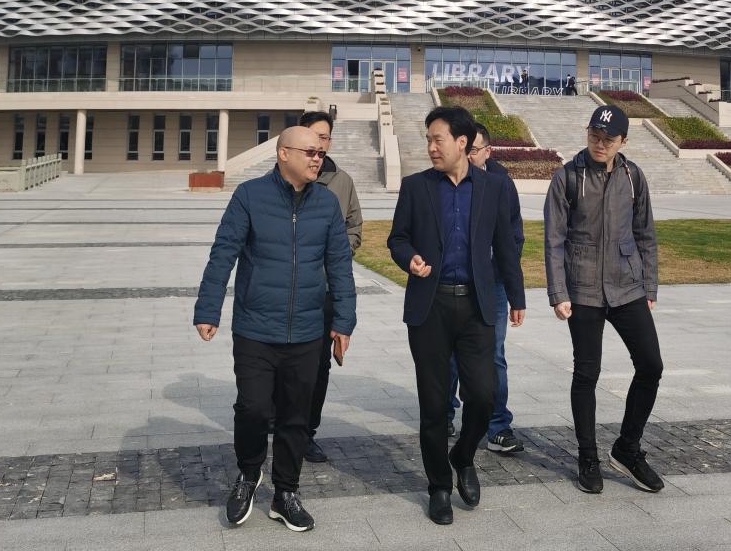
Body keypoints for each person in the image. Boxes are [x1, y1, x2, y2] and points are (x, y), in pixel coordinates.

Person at [193, 126, 357, 533]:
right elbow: (223, 253)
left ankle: (286, 493)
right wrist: (208, 308)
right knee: (252, 408)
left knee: (295, 416)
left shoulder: (327, 203)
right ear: (284, 154)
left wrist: (344, 322)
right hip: (255, 327)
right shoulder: (249, 196)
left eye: (321, 153)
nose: (318, 158)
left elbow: (340, 265)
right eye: (310, 152)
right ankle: (249, 474)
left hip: (307, 330)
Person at [388, 106, 526, 526]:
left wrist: (517, 296)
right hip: (430, 308)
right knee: (433, 405)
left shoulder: (494, 187)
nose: (431, 147)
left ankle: (463, 455)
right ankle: (439, 487)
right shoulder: (416, 187)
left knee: (483, 395)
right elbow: (398, 238)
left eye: (438, 139)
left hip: (476, 307)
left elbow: (506, 245)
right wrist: (409, 258)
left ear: (462, 143)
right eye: (428, 140)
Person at [542, 104, 664, 496]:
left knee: (651, 365)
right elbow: (554, 240)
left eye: (608, 139)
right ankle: (588, 457)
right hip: (583, 289)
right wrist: (558, 293)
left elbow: (645, 234)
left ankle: (627, 448)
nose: (599, 144)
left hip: (627, 286)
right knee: (586, 374)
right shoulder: (567, 177)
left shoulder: (633, 177)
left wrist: (649, 287)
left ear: (622, 142)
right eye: (594, 136)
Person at [446, 123, 525, 454]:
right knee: (450, 353)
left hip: (491, 284)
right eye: (463, 149)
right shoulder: (445, 180)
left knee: (494, 354)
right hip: (453, 282)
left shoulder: (501, 184)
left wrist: (512, 289)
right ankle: (445, 413)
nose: (467, 156)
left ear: (488, 152)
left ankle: (497, 425)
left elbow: (514, 237)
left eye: (473, 151)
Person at [297, 110, 364, 463]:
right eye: (314, 136)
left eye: (325, 137)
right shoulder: (281, 178)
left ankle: (307, 432)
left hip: (324, 290)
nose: (320, 143)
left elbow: (355, 226)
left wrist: (337, 253)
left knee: (318, 365)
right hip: (289, 289)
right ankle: (280, 420)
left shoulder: (342, 181)